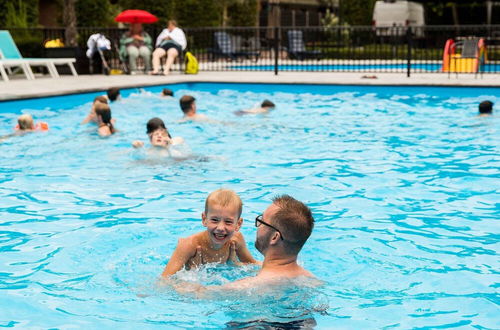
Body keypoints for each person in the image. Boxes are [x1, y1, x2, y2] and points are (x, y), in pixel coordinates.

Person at [172, 195, 316, 293]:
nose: (257, 226)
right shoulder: (311, 280)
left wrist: (191, 273)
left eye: (262, 221)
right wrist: (236, 265)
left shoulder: (245, 287)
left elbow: (187, 294)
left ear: (274, 237)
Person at [161, 188, 258, 277]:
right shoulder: (189, 245)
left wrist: (235, 265)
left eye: (228, 222)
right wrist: (192, 275)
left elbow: (253, 266)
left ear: (238, 224)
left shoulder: (236, 240)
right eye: (215, 220)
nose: (220, 228)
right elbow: (164, 280)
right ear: (204, 219)